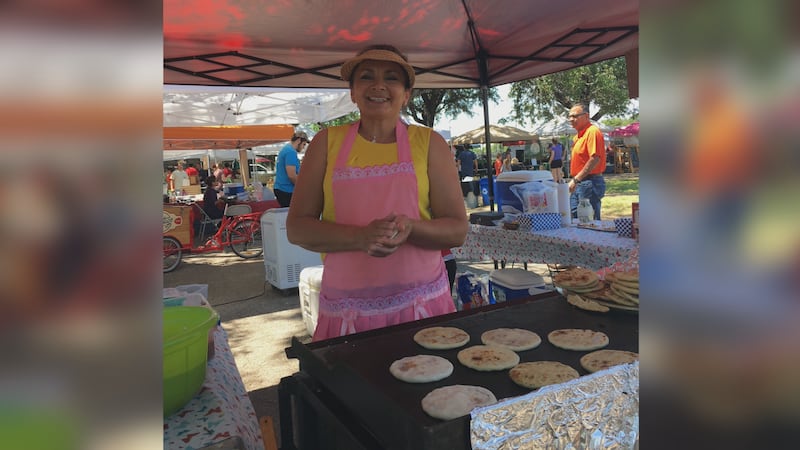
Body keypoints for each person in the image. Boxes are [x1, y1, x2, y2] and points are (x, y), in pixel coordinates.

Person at [286, 44, 468, 341]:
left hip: (422, 307)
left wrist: (411, 228)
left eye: (392, 78)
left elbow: (457, 230)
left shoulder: (430, 143)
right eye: (367, 77)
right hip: (348, 314)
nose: (379, 85)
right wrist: (360, 237)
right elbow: (297, 228)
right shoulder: (325, 143)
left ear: (407, 94)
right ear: (353, 92)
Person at [567, 104, 606, 220]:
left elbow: (594, 158)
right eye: (569, 117)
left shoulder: (592, 132)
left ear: (586, 116)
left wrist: (576, 179)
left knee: (588, 220)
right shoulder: (577, 137)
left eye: (575, 116)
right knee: (574, 217)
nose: (571, 120)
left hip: (589, 182)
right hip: (579, 182)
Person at [274, 131, 308, 207]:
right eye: (303, 144)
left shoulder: (286, 149)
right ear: (299, 140)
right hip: (286, 190)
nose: (303, 147)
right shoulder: (290, 152)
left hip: (281, 189)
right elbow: (291, 175)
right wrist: (302, 188)